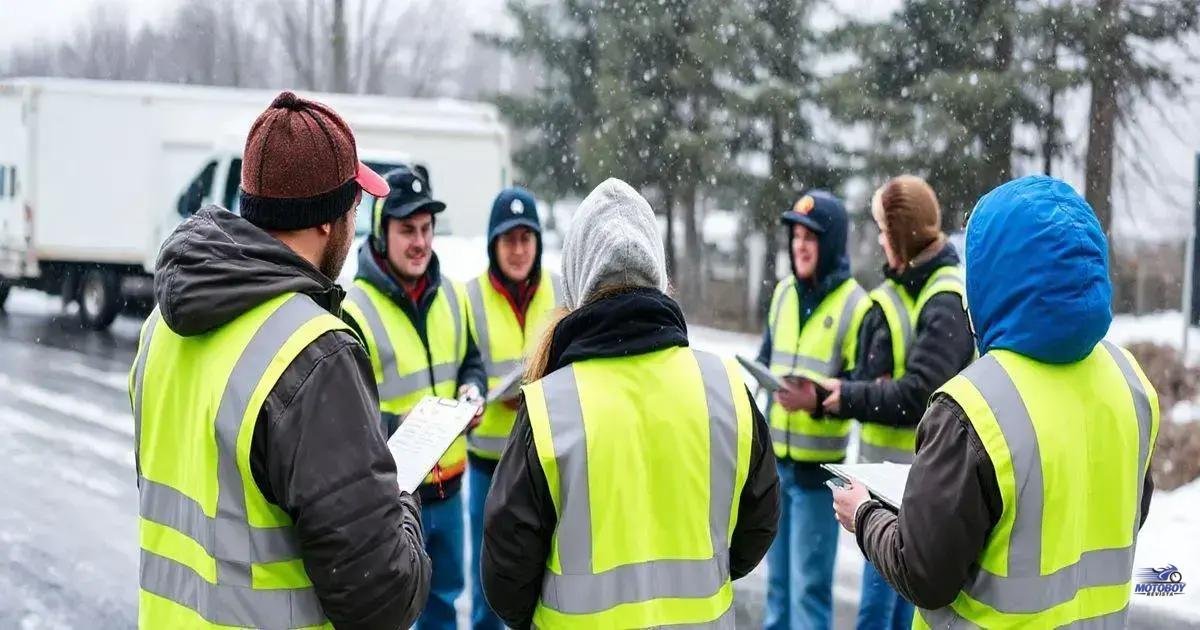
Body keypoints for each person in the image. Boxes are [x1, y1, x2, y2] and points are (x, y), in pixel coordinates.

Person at [129, 91, 431, 629]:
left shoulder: (161, 327)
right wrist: (400, 498)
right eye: (354, 206)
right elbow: (381, 599)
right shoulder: (314, 352)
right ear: (326, 222)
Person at [832, 175, 1159, 628]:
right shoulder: (1130, 381)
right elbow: (1125, 515)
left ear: (995, 277)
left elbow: (924, 572)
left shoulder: (972, 406)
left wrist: (865, 516)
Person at [479, 178, 779, 629]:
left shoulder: (549, 409)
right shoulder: (725, 388)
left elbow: (505, 578)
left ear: (577, 278)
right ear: (658, 271)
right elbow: (758, 527)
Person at [820, 176, 975, 630]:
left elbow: (919, 393)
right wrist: (878, 386)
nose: (882, 241)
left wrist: (854, 395)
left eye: (886, 231)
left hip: (915, 483)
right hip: (892, 479)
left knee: (884, 611)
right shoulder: (912, 286)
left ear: (905, 235)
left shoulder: (944, 297)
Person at [341, 165, 488, 630]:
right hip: (393, 500)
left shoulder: (452, 295)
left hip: (450, 491)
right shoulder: (354, 310)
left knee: (445, 603)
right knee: (391, 616)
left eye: (426, 229)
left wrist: (473, 389)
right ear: (383, 234)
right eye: (408, 230)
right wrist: (395, 425)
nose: (420, 242)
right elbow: (345, 421)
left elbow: (470, 360)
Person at [759, 190, 871, 630]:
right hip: (776, 468)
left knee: (808, 594)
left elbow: (862, 389)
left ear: (832, 243)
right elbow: (766, 357)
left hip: (816, 474)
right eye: (796, 235)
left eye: (812, 237)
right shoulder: (784, 293)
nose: (800, 245)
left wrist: (816, 402)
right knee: (777, 591)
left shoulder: (855, 305)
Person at [463, 187, 561, 629]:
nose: (519, 250)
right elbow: (463, 370)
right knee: (490, 585)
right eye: (509, 240)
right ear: (493, 245)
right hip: (488, 466)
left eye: (527, 238)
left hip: (545, 463)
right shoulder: (469, 298)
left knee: (542, 584)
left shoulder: (562, 293)